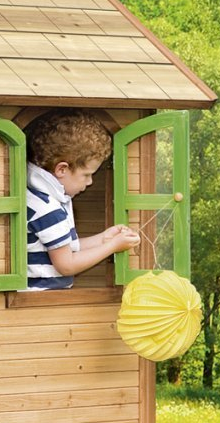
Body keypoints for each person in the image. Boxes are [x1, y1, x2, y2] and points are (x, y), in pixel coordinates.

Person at [24, 108, 140, 289]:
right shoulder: (48, 209)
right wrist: (112, 247)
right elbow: (66, 265)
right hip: (43, 300)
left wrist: (104, 239)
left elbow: (67, 247)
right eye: (86, 175)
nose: (90, 182)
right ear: (61, 169)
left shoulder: (40, 198)